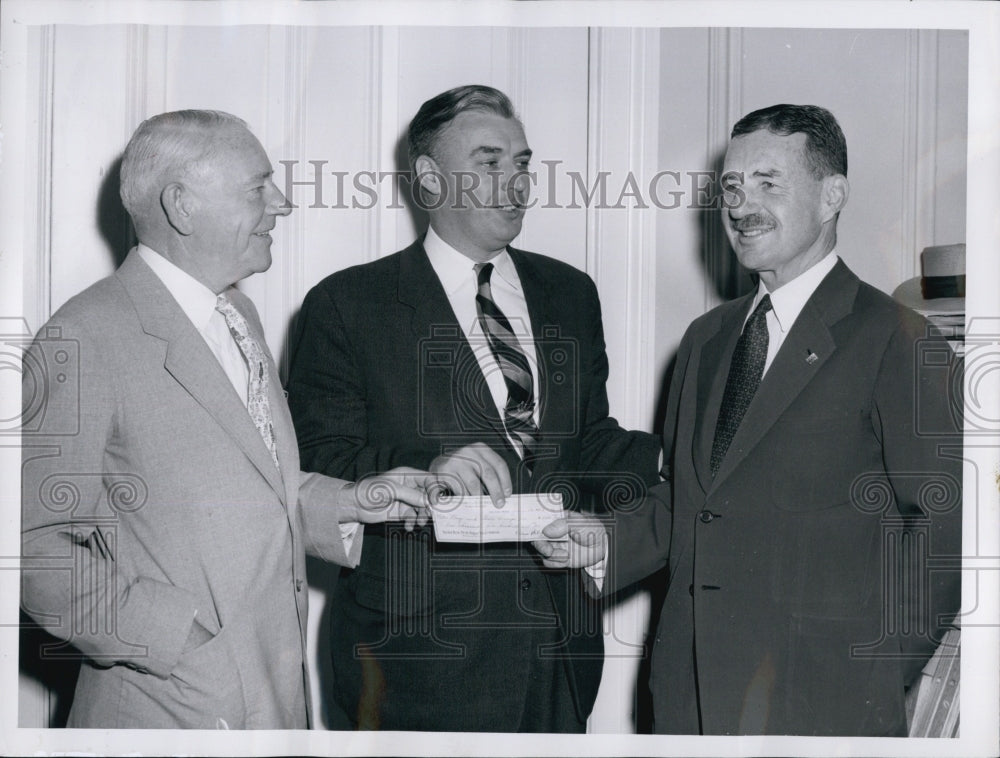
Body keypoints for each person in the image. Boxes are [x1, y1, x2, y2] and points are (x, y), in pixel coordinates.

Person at [536, 104, 963, 736]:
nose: (741, 205)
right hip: (691, 697)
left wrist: (873, 677)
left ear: (832, 195)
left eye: (768, 182)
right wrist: (605, 540)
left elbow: (945, 533)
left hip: (823, 704)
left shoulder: (898, 338)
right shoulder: (706, 338)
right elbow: (692, 500)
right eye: (732, 187)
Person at [20, 110, 430, 730]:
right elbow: (31, 548)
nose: (282, 203)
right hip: (169, 714)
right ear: (181, 207)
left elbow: (256, 493)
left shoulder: (238, 315)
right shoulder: (81, 337)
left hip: (275, 706)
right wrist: (178, 643)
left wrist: (358, 499)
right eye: (257, 188)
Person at [285, 84, 661, 732]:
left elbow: (588, 443)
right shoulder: (348, 304)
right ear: (428, 178)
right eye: (489, 163)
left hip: (560, 654)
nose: (515, 184)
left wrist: (689, 452)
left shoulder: (570, 293)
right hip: (409, 667)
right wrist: (428, 464)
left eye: (522, 164)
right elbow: (318, 463)